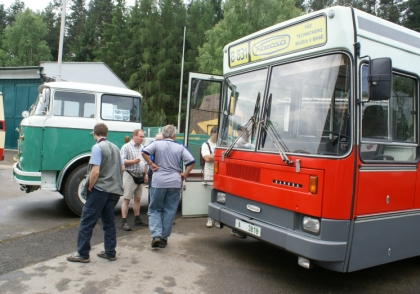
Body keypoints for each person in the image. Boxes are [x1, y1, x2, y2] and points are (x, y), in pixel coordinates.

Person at [67, 123, 124, 263]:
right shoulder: (116, 148)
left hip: (99, 190)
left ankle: (82, 254)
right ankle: (110, 252)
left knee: (87, 221)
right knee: (109, 222)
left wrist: (90, 187)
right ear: (107, 134)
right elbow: (122, 168)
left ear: (94, 133)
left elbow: (95, 171)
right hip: (113, 190)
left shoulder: (97, 147)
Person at [142, 125, 195, 249]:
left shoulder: (156, 144)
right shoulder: (180, 147)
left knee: (155, 209)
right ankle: (164, 239)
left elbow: (144, 152)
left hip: (158, 181)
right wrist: (184, 174)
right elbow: (191, 162)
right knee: (169, 210)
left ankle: (156, 235)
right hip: (174, 182)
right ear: (174, 135)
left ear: (163, 134)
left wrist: (151, 163)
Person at [120, 129, 149, 231]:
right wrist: (133, 161)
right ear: (134, 136)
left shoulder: (143, 148)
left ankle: (137, 219)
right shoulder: (126, 147)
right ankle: (124, 222)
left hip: (140, 175)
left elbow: (146, 162)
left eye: (143, 137)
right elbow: (122, 161)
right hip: (129, 174)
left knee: (137, 199)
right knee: (127, 198)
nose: (142, 138)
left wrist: (146, 175)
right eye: (140, 136)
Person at [202, 126, 217, 228]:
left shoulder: (220, 144)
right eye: (217, 133)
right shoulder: (205, 145)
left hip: (218, 172)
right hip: (209, 172)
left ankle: (216, 217)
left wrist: (213, 155)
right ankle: (210, 218)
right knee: (211, 196)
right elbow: (207, 158)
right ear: (212, 133)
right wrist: (217, 155)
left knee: (217, 195)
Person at [147, 133, 163, 204]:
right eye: (157, 139)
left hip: (162, 174)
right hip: (153, 172)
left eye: (160, 139)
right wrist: (152, 164)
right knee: (152, 191)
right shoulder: (151, 147)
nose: (158, 141)